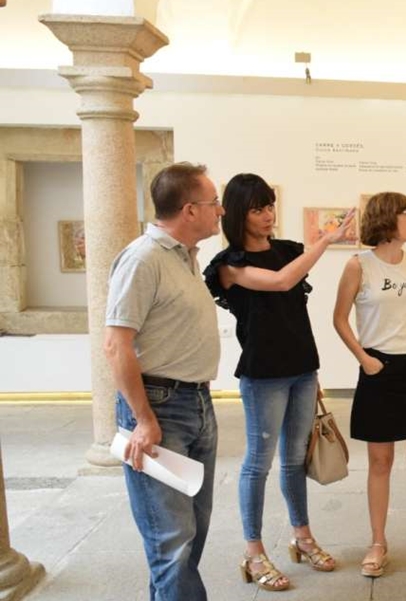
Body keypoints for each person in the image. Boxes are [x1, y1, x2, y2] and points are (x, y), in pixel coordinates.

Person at [203, 173, 353, 592]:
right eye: (257, 208)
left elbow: (291, 301)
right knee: (257, 463)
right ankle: (253, 553)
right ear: (237, 214)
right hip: (262, 375)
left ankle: (302, 537)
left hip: (303, 368)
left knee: (293, 460)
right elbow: (280, 282)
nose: (268, 215)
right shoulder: (229, 266)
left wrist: (315, 377)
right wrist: (327, 240)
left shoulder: (287, 251)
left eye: (270, 206)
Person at [104, 162, 223, 601]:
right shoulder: (143, 258)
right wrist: (142, 418)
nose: (221, 211)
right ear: (190, 210)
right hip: (161, 408)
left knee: (190, 536)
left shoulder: (186, 258)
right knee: (172, 544)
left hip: (197, 404)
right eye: (214, 203)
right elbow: (116, 345)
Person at [332, 191, 406, 578]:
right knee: (380, 462)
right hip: (378, 371)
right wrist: (364, 360)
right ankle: (377, 542)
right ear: (388, 220)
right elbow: (339, 319)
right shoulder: (358, 266)